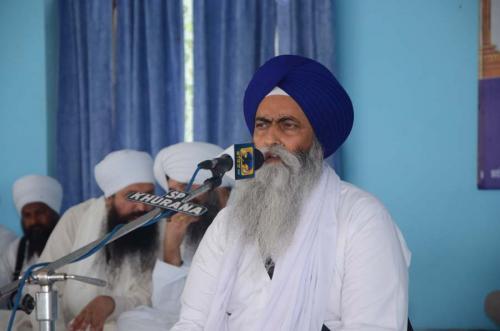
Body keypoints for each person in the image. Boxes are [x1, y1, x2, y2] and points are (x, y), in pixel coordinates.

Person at [171, 55, 411, 331]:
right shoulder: (228, 225)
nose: (271, 139)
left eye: (288, 125)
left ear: (316, 139)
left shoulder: (361, 218)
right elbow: (192, 322)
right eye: (262, 125)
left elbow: (374, 326)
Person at [19, 150, 160, 330]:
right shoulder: (77, 218)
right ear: (110, 198)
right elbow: (42, 279)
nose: (142, 206)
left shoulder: (158, 226)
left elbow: (154, 296)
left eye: (148, 194)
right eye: (131, 196)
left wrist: (111, 304)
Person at [117, 142, 232, 331]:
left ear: (217, 188)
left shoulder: (242, 217)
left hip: (232, 318)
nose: (179, 199)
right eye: (173, 191)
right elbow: (168, 307)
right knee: (130, 320)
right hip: (189, 320)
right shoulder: (180, 222)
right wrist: (172, 246)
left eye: (187, 186)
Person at [0, 175, 62, 308]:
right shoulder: (16, 250)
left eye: (40, 213)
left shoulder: (71, 243)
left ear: (54, 213)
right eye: (27, 215)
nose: (33, 221)